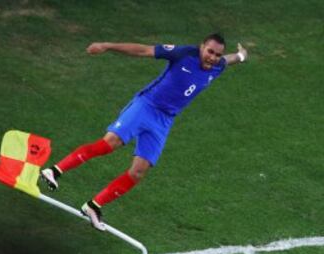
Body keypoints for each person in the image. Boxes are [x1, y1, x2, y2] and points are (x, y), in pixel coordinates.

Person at [41, 33, 248, 231]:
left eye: (217, 54)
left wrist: (240, 56)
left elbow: (230, 59)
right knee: (109, 144)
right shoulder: (183, 53)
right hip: (146, 106)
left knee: (139, 171)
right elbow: (143, 50)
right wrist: (107, 45)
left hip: (164, 120)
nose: (212, 57)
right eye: (209, 51)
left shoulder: (218, 66)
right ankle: (55, 170)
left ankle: (93, 206)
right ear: (201, 46)